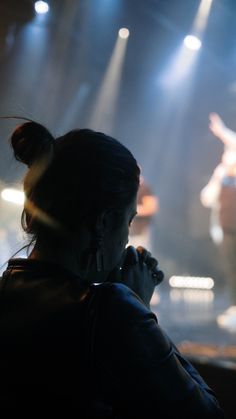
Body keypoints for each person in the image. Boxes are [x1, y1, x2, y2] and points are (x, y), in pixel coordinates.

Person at [0, 120, 224, 417]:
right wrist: (140, 310)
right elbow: (206, 412)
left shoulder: (6, 289)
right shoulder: (113, 311)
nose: (128, 237)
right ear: (103, 223)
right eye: (128, 221)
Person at [200, 113, 236, 331]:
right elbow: (206, 198)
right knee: (232, 268)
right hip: (227, 229)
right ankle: (235, 307)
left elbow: (233, 141)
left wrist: (222, 131)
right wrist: (218, 175)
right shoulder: (222, 177)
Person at [128, 176, 159, 252]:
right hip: (127, 233)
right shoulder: (126, 188)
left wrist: (133, 209)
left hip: (139, 234)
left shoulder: (145, 188)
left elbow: (151, 208)